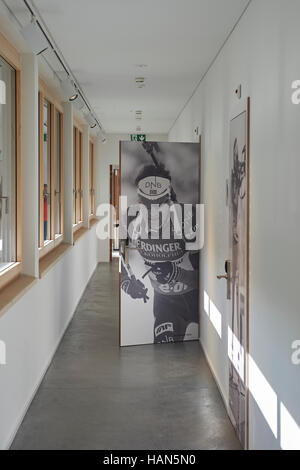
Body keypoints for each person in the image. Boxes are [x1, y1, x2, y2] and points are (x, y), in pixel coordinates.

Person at [121, 145, 199, 344]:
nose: (152, 210)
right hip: (165, 304)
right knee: (165, 355)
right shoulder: (132, 219)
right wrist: (127, 282)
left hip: (194, 300)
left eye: (158, 202)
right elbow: (118, 256)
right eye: (146, 202)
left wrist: (176, 273)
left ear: (168, 197)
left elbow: (204, 276)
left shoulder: (186, 219)